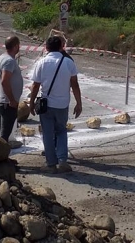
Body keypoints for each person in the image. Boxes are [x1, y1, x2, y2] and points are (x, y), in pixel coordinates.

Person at [29, 36, 82, 173]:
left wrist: (31, 103)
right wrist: (79, 103)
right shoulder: (69, 63)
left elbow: (35, 85)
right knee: (61, 131)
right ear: (61, 47)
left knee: (47, 133)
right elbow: (74, 85)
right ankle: (63, 160)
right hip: (63, 104)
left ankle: (51, 164)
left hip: (46, 104)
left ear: (46, 48)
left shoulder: (42, 63)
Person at [0, 36, 23, 142]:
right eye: (18, 45)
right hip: (8, 104)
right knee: (4, 135)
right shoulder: (9, 61)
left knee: (0, 132)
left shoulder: (1, 58)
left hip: (2, 101)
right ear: (15, 46)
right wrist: (11, 99)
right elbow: (4, 81)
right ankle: (0, 157)